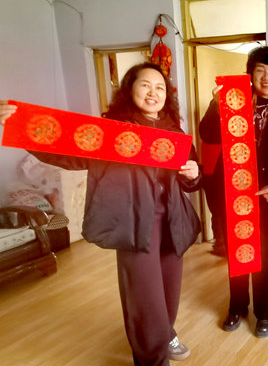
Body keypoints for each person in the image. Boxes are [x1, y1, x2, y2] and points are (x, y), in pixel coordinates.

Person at [0, 62, 202, 366]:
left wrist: (193, 173)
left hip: (173, 222)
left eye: (160, 87)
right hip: (135, 224)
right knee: (144, 297)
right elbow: (69, 152)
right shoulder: (113, 130)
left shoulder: (175, 131)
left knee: (169, 290)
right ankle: (152, 358)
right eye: (145, 85)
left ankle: (166, 333)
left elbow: (192, 181)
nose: (153, 92)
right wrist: (18, 127)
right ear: (130, 89)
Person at [199, 45, 268, 338]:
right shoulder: (233, 105)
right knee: (238, 254)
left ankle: (264, 313)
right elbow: (207, 134)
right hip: (233, 196)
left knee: (265, 258)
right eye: (260, 70)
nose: (266, 77)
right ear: (250, 75)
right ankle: (237, 307)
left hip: (267, 199)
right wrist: (215, 105)